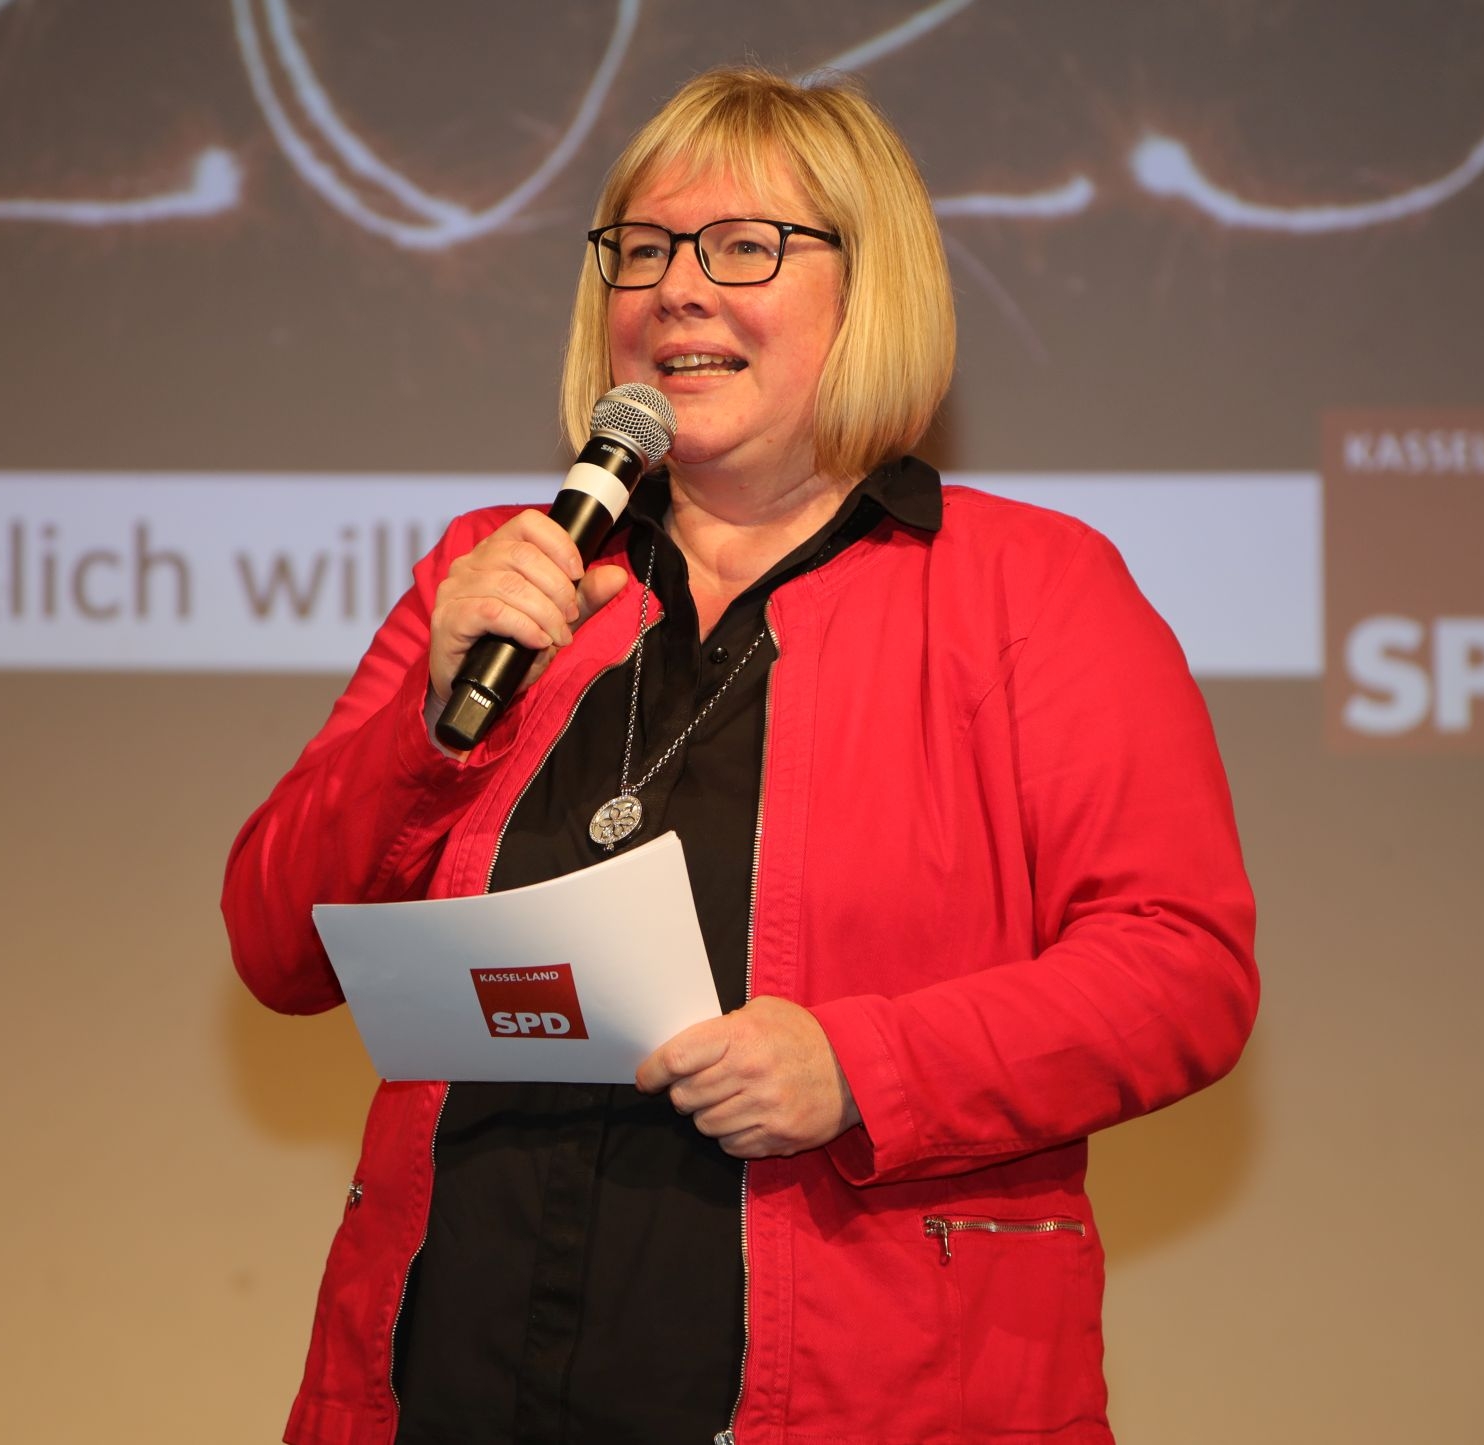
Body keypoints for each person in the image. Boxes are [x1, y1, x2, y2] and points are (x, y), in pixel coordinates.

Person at [222, 64, 1257, 1445]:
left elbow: (1181, 967)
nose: (676, 291)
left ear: (868, 288)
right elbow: (276, 944)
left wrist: (862, 1064)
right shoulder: (499, 572)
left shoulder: (1031, 590)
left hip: (867, 1396)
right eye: (643, 249)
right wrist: (424, 724)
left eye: (743, 247)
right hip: (454, 1371)